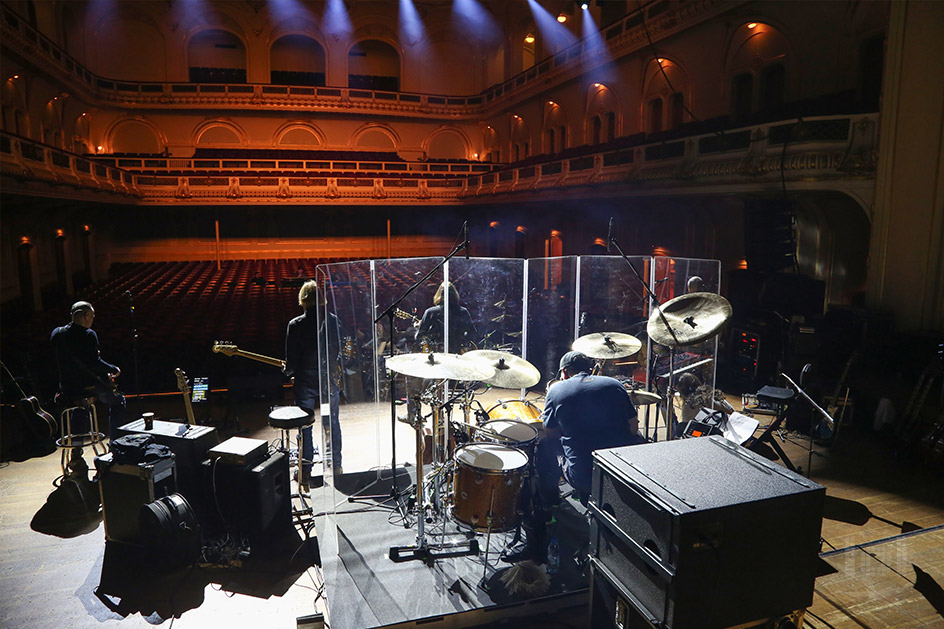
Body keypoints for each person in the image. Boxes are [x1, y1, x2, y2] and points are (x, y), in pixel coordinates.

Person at [503, 350, 644, 563]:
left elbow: (551, 432)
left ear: (564, 373)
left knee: (544, 446)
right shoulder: (614, 385)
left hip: (584, 475)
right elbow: (633, 428)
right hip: (621, 471)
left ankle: (547, 507)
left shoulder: (557, 389)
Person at [284, 280, 342, 484]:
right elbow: (339, 351)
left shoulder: (295, 324)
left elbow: (291, 363)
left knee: (305, 426)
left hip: (305, 381)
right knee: (332, 422)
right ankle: (336, 465)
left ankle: (306, 471)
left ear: (303, 300)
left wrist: (287, 370)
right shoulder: (333, 320)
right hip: (328, 379)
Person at [50, 301, 126, 441]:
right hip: (88, 386)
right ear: (86, 316)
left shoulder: (57, 333)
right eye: (92, 316)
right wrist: (114, 369)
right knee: (118, 401)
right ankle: (115, 443)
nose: (92, 319)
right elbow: (94, 363)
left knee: (80, 406)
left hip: (66, 388)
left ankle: (76, 453)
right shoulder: (88, 334)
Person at [415, 281, 477, 354]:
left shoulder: (430, 312)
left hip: (436, 354)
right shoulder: (463, 312)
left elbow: (420, 336)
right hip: (456, 353)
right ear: (455, 295)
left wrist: (418, 328)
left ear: (439, 295)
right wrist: (462, 343)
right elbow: (473, 334)